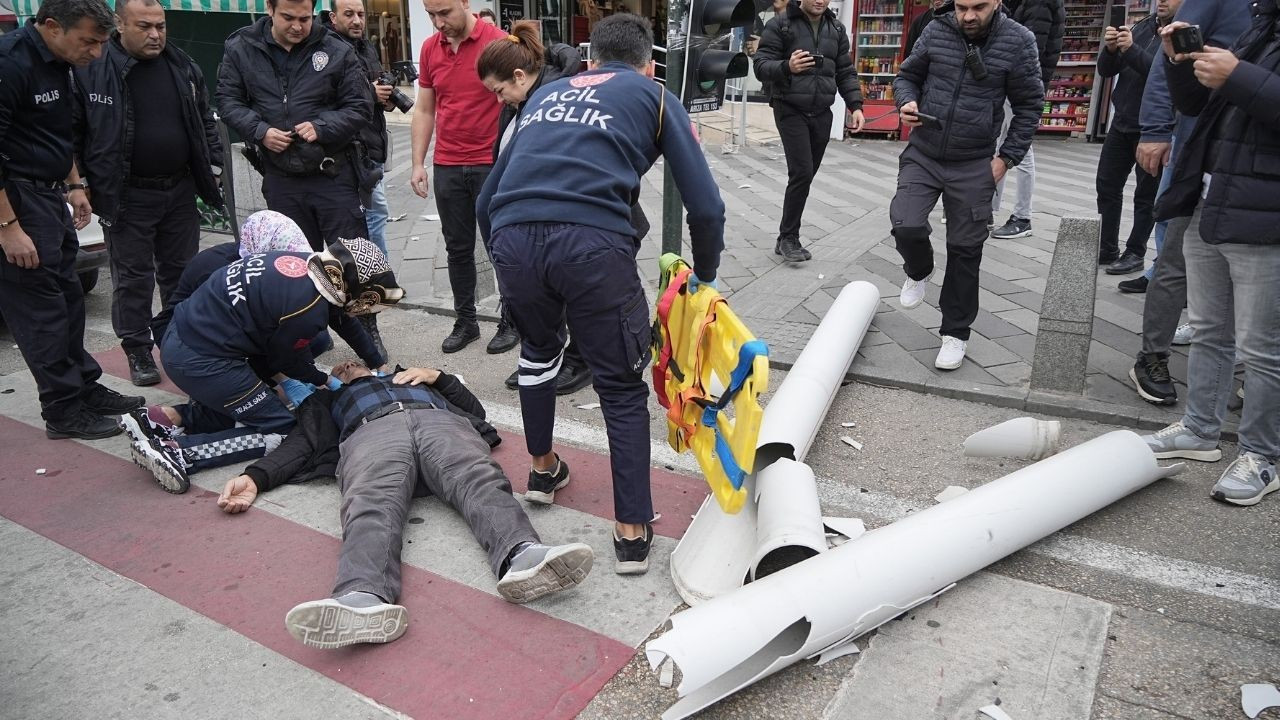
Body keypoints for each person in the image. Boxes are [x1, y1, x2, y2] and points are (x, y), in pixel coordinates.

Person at [476, 14, 726, 574]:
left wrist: (508, 257)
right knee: (617, 382)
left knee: (538, 352)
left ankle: (541, 470)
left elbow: (485, 197)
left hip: (513, 234)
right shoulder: (656, 96)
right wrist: (704, 275)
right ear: (649, 64)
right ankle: (631, 531)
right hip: (591, 242)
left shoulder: (545, 94)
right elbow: (705, 206)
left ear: (590, 63)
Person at [208, 360, 594, 649]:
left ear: (368, 363)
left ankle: (522, 555)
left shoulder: (410, 375)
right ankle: (362, 596)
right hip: (372, 434)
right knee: (369, 503)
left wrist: (438, 378)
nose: (344, 365)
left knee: (480, 479)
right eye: (338, 367)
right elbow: (303, 443)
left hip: (438, 423)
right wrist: (256, 476)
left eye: (351, 360)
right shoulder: (327, 398)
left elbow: (475, 412)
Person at [1140, 4, 1280, 507]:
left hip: (1266, 213)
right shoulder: (1262, 26)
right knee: (1209, 330)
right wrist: (1184, 65)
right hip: (1209, 198)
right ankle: (1200, 429)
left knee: (1263, 346)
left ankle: (1262, 456)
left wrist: (1237, 74)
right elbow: (1199, 108)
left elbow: (1252, 92)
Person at [127, 238, 398, 494]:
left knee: (257, 406)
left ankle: (159, 418)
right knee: (285, 428)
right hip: (202, 359)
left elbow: (342, 319)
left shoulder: (308, 265)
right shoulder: (307, 310)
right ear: (350, 286)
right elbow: (282, 361)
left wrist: (377, 362)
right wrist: (322, 380)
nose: (362, 310)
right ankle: (180, 452)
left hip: (187, 335)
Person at [0, 0, 145, 440]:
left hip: (50, 193)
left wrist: (75, 184)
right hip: (18, 198)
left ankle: (83, 385)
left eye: (101, 43)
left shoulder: (60, 60)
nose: (96, 53)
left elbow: (54, 131)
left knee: (67, 297)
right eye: (88, 42)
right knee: (41, 308)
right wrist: (8, 228)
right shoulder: (10, 64)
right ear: (51, 27)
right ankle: (63, 410)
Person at [72, 0, 224, 388]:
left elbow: (204, 118)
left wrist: (216, 165)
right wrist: (80, 184)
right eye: (145, 26)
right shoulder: (94, 68)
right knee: (132, 279)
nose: (156, 34)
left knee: (182, 274)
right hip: (126, 194)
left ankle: (177, 341)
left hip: (179, 189)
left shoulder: (182, 64)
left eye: (161, 25)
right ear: (120, 25)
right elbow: (75, 131)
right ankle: (137, 349)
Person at [890, 0, 1043, 370]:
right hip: (924, 152)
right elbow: (906, 76)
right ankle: (919, 269)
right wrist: (906, 102)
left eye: (979, 7)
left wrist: (1004, 160)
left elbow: (1030, 104)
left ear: (997, 3)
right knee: (906, 223)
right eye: (961, 6)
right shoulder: (936, 28)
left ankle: (955, 334)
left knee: (965, 249)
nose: (968, 16)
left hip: (975, 161)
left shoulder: (1019, 40)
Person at [1125, 0, 1251, 406]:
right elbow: (1171, 56)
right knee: (1177, 253)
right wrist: (1156, 128)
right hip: (1204, 145)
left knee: (1256, 269)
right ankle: (1153, 355)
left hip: (1263, 155)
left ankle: (1251, 368)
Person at [479, 20, 600, 396]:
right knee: (551, 298)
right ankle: (551, 360)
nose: (498, 100)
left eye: (499, 91)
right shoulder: (522, 99)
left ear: (518, 75)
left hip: (577, 221)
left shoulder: (554, 100)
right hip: (536, 221)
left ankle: (580, 363)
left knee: (579, 299)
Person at [216, 0, 374, 250]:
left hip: (333, 174)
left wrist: (321, 127)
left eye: (305, 19)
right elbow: (227, 101)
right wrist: (261, 131)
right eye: (288, 18)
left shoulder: (336, 50)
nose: (298, 27)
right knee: (292, 269)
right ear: (270, 8)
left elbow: (360, 106)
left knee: (351, 265)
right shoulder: (241, 47)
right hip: (281, 178)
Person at [408, 0, 518, 355]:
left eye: (445, 13)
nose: (438, 22)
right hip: (448, 163)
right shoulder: (429, 49)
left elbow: (519, 101)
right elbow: (425, 108)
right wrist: (417, 163)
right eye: (430, 15)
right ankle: (466, 321)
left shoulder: (498, 42)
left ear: (465, 3)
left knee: (501, 246)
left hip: (491, 163)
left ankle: (511, 321)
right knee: (457, 248)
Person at [752, 0, 865, 263]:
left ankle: (784, 238)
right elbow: (760, 66)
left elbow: (845, 71)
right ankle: (790, 237)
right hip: (790, 108)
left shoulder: (836, 29)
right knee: (801, 172)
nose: (819, 0)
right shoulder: (779, 25)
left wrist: (855, 105)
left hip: (822, 111)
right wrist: (786, 67)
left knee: (806, 175)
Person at [324, 0, 396, 359]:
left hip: (368, 154)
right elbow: (329, 102)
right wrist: (370, 94)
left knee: (373, 223)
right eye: (348, 14)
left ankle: (374, 293)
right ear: (332, 16)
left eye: (360, 14)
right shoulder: (324, 49)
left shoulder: (365, 47)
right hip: (337, 162)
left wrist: (383, 94)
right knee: (351, 241)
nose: (356, 20)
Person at [1092, 0, 1177, 276]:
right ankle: (1106, 247)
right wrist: (1111, 49)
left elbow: (1164, 74)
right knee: (1106, 185)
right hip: (1122, 121)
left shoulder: (1182, 33)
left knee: (1146, 195)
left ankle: (1135, 251)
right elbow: (1106, 70)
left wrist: (1130, 50)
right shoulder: (1142, 26)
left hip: (1153, 127)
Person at [987, 0, 1064, 240]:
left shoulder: (1039, 3)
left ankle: (1022, 216)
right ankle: (988, 209)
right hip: (1016, 82)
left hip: (1022, 85)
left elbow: (1029, 47)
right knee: (1000, 144)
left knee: (1020, 148)